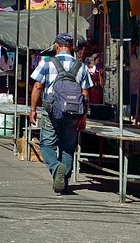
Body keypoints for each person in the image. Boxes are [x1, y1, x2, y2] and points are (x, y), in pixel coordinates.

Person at [28, 32, 92, 194]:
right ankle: (63, 184)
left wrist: (33, 109)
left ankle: (57, 169)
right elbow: (85, 94)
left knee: (46, 145)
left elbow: (37, 87)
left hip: (52, 113)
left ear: (56, 46)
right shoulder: (81, 67)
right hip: (74, 113)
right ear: (71, 48)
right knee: (68, 147)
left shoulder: (47, 63)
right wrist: (83, 116)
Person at [127, 41, 140, 124]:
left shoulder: (138, 57)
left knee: (136, 100)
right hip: (129, 84)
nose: (133, 49)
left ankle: (135, 117)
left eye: (134, 47)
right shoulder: (127, 58)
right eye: (132, 47)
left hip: (137, 84)